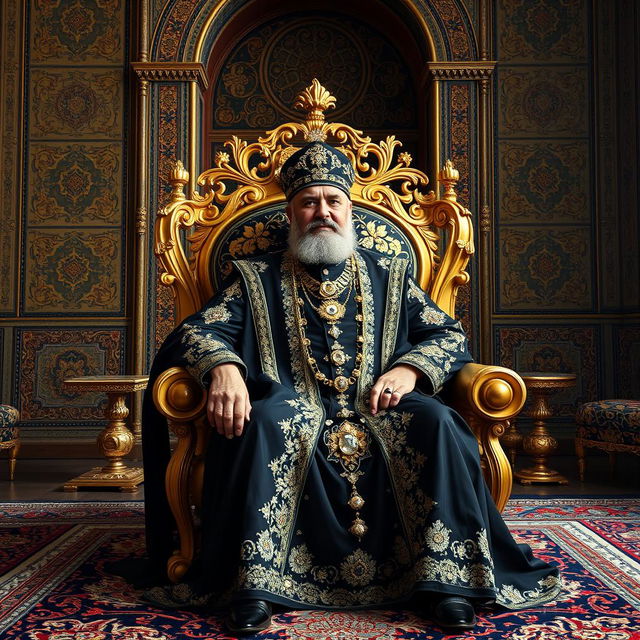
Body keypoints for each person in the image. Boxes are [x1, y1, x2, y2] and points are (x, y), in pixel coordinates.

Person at [141, 142, 561, 634]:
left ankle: (449, 583)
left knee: (440, 422)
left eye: (332, 201)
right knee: (266, 425)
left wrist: (412, 370)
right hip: (291, 403)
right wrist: (224, 368)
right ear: (291, 212)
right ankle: (256, 585)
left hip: (385, 405)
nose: (322, 212)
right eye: (309, 202)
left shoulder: (392, 274)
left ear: (349, 208)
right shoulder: (255, 278)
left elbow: (447, 334)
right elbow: (198, 331)